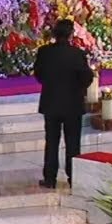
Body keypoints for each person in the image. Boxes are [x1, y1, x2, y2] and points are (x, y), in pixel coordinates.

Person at [34, 19, 94, 188]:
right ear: (71, 35)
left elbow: (38, 74)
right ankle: (73, 177)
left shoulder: (44, 52)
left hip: (51, 102)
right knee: (73, 143)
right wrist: (78, 88)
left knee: (51, 142)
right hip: (73, 104)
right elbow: (87, 77)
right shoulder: (77, 54)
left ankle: (50, 178)